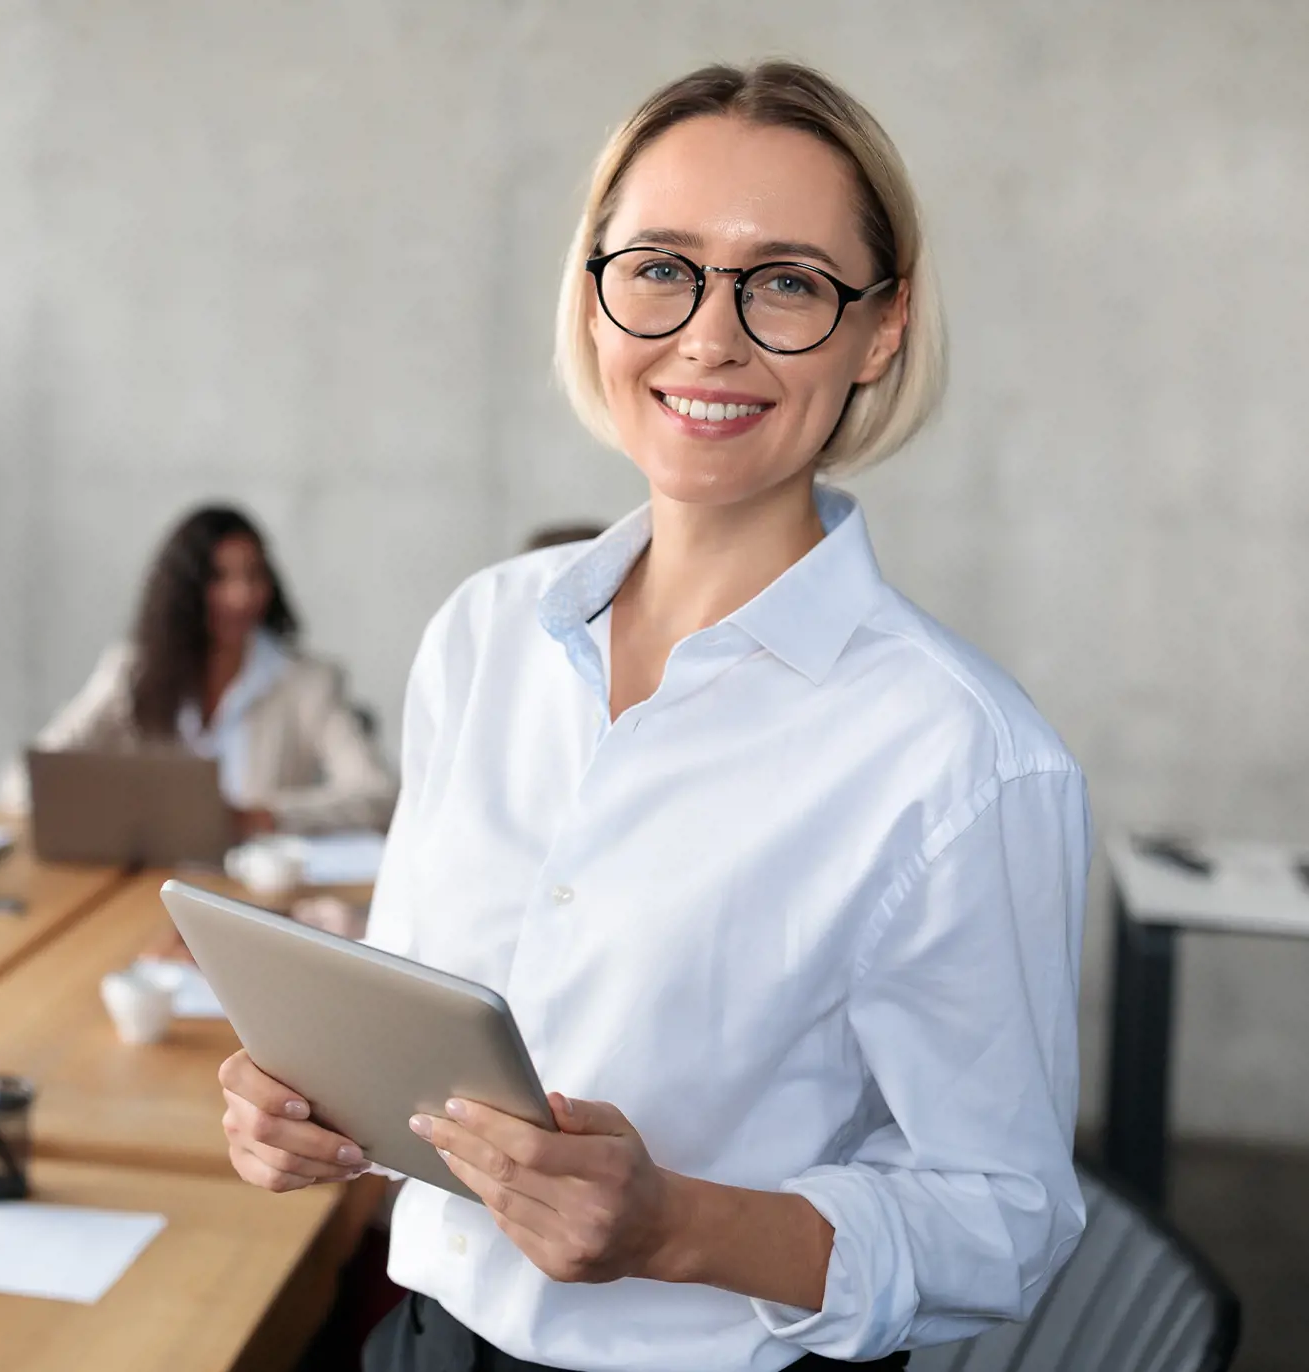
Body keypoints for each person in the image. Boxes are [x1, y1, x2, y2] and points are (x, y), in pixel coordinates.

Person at [219, 61, 1087, 1372]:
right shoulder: (484, 634)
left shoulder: (963, 756)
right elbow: (418, 1033)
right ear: (596, 287)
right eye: (661, 266)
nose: (709, 335)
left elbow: (1005, 1223)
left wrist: (676, 1226)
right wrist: (305, 1106)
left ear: (881, 327)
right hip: (422, 1342)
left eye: (787, 281)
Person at [0, 504, 395, 837]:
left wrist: (266, 815)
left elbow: (379, 794)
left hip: (254, 891)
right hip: (145, 885)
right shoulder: (133, 672)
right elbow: (22, 785)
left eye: (254, 575)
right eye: (220, 578)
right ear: (184, 590)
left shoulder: (308, 683)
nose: (241, 596)